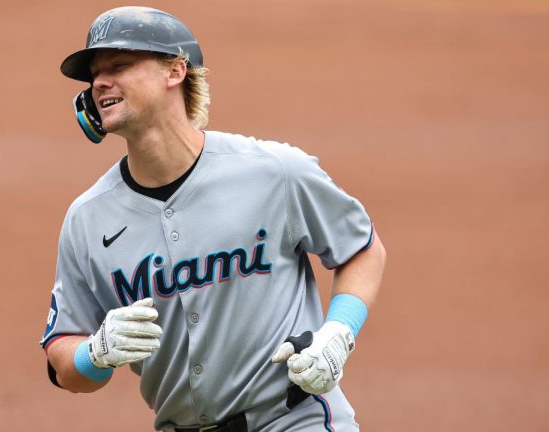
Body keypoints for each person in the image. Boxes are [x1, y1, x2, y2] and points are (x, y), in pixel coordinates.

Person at [40, 6, 386, 432]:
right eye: (94, 74)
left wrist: (338, 333)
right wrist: (93, 353)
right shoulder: (87, 219)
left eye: (120, 65)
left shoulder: (273, 171)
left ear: (175, 71)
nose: (99, 83)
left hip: (296, 420)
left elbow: (362, 249)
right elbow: (61, 359)